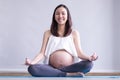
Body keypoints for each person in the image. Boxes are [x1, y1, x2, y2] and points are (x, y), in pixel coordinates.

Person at [25, 4, 98, 77]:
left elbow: (79, 53)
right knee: (32, 68)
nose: (60, 16)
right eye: (57, 14)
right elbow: (42, 53)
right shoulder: (47, 33)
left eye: (63, 13)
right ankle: (65, 74)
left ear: (67, 16)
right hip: (51, 67)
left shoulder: (74, 33)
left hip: (70, 67)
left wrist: (89, 58)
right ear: (54, 16)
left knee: (89, 64)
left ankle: (55, 73)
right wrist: (32, 62)